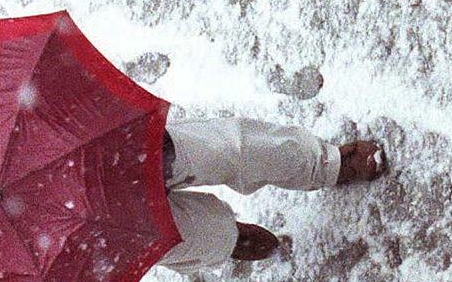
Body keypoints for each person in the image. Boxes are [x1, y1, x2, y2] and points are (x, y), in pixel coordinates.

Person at [155, 117, 387, 273]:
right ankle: (228, 239)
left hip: (129, 150)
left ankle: (321, 164)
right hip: (125, 238)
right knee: (188, 237)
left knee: (223, 152)